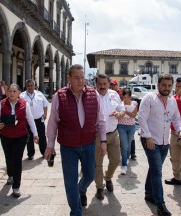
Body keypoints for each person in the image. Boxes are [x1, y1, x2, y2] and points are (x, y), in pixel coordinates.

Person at [45, 64, 107, 216]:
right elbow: (52, 122)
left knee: (90, 174)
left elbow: (101, 119)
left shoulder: (94, 95)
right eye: (76, 78)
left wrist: (104, 141)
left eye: (82, 78)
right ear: (69, 79)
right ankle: (76, 211)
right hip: (68, 146)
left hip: (88, 144)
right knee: (70, 181)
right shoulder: (59, 96)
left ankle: (80, 190)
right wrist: (50, 145)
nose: (80, 81)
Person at [138, 74, 181, 216]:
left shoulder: (172, 101)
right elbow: (141, 118)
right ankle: (160, 204)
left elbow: (176, 118)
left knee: (154, 168)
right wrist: (148, 137)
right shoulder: (149, 98)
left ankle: (148, 193)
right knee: (157, 171)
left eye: (170, 85)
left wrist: (180, 130)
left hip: (165, 142)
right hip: (150, 141)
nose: (167, 88)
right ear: (158, 85)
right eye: (164, 85)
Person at [0, 83, 39, 198]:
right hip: (6, 136)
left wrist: (35, 134)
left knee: (17, 160)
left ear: (19, 93)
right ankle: (10, 175)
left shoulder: (24, 104)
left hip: (20, 136)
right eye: (10, 91)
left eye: (14, 91)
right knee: (8, 158)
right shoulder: (2, 103)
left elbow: (30, 120)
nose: (11, 93)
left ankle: (16, 187)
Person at [94, 74, 125, 200]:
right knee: (98, 163)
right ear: (96, 84)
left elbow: (122, 109)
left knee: (116, 160)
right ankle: (99, 187)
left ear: (108, 84)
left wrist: (119, 113)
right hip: (96, 136)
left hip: (113, 133)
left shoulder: (114, 94)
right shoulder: (92, 96)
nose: (102, 86)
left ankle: (108, 178)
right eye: (100, 84)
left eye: (104, 84)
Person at [20, 79, 49, 160]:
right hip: (28, 121)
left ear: (34, 86)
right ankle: (30, 154)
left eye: (32, 85)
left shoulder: (39, 94)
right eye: (28, 86)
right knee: (29, 138)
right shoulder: (22, 96)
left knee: (42, 136)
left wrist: (45, 113)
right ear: (26, 87)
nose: (30, 87)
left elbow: (45, 104)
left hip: (39, 119)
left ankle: (44, 152)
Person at [117, 88, 138, 175]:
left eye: (127, 97)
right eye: (124, 97)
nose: (126, 99)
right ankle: (124, 165)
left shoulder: (134, 103)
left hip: (131, 127)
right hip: (121, 126)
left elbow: (134, 115)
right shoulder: (120, 105)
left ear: (130, 97)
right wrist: (121, 113)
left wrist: (126, 112)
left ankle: (126, 158)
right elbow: (118, 116)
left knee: (129, 144)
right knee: (124, 145)